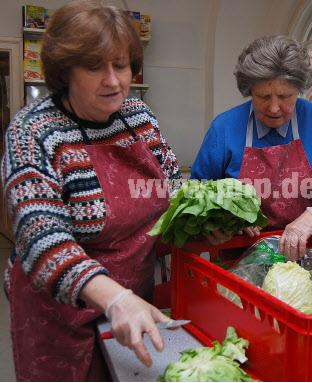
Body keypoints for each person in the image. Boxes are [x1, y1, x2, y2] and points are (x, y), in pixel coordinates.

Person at [1, 1, 181, 381]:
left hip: (133, 300)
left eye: (121, 65)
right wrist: (113, 297)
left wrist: (194, 225)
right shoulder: (32, 131)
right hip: (60, 315)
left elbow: (173, 190)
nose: (113, 81)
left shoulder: (138, 117)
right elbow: (41, 238)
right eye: (95, 67)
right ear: (65, 72)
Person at [191, 35, 312, 260]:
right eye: (263, 96)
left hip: (304, 258)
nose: (273, 108)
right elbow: (197, 192)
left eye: (284, 96)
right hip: (237, 261)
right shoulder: (225, 128)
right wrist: (217, 220)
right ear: (249, 91)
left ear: (299, 90)